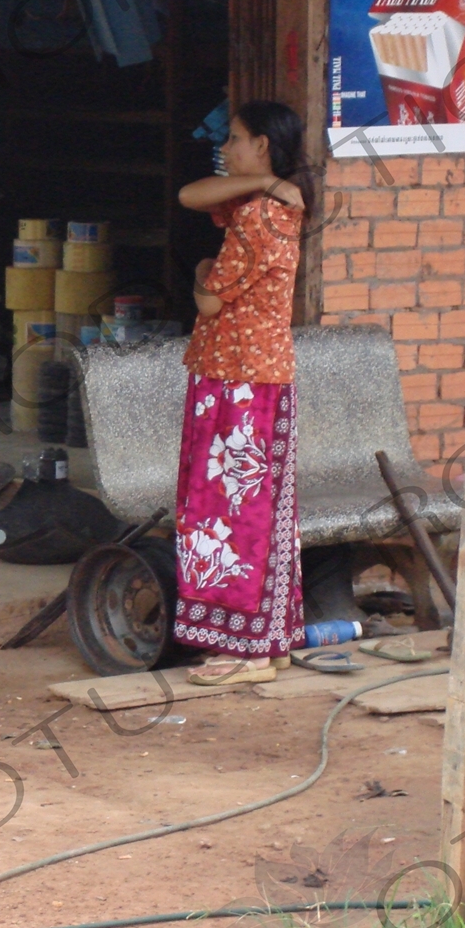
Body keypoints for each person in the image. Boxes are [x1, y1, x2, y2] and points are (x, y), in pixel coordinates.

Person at [172, 101, 311, 685]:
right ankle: (269, 642)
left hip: (238, 384)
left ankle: (242, 653)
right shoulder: (264, 202)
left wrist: (202, 270)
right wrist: (265, 179)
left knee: (227, 515)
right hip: (256, 380)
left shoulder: (259, 219)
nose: (224, 149)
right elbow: (190, 194)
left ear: (262, 144)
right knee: (264, 514)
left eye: (234, 140)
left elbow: (209, 300)